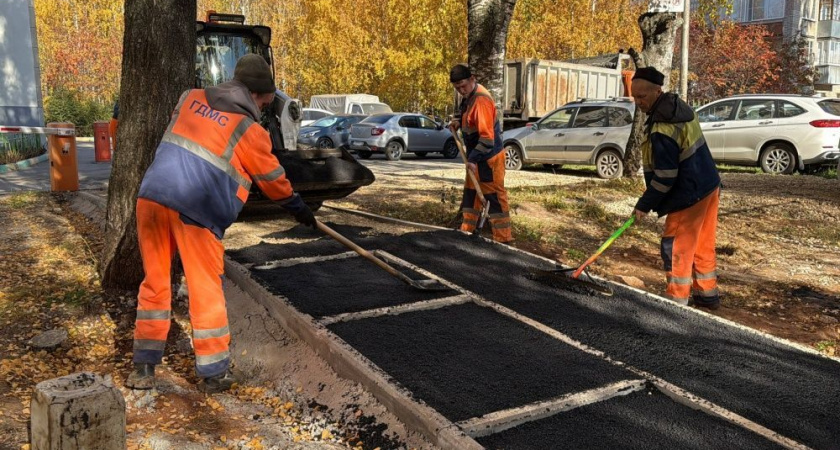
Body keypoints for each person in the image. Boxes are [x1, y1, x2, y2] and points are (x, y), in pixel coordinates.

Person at [125, 54, 317, 393]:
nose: (264, 108)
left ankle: (143, 367)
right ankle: (213, 373)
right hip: (195, 212)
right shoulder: (249, 130)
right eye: (265, 102)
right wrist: (298, 207)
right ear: (259, 96)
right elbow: (272, 180)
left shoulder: (189, 98)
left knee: (155, 282)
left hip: (152, 197)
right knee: (205, 290)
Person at [630, 67, 721, 310]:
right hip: (709, 184)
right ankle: (707, 295)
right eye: (634, 97)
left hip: (688, 194)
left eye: (642, 96)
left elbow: (665, 178)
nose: (638, 102)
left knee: (675, 246)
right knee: (702, 242)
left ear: (657, 91)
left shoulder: (663, 128)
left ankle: (676, 302)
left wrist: (644, 205)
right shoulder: (680, 108)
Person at [448, 64, 512, 243]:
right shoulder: (469, 96)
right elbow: (469, 117)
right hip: (476, 156)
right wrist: (458, 121)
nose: (461, 90)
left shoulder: (481, 101)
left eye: (463, 85)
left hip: (488, 158)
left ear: (472, 79)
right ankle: (466, 231)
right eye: (457, 87)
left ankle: (503, 238)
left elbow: (487, 138)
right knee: (471, 192)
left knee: (493, 196)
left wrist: (474, 160)